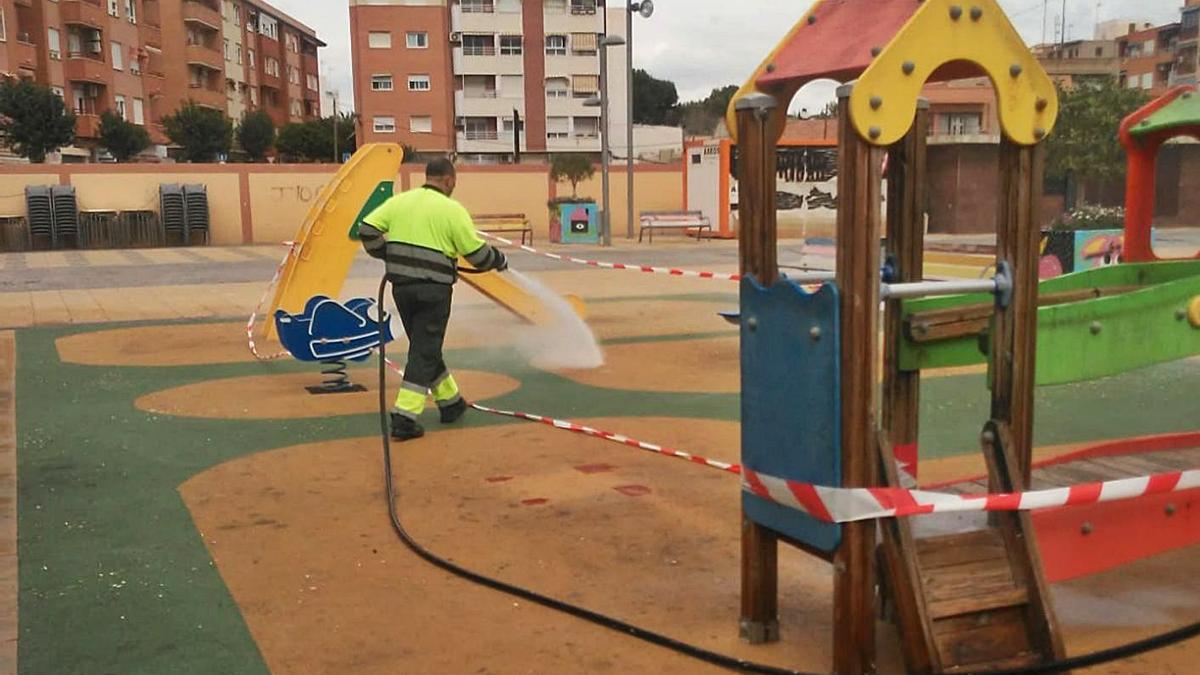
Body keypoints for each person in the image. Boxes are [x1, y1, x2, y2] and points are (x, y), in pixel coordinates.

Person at [359, 158, 508, 441]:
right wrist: (498, 259)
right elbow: (476, 255)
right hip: (434, 292)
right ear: (449, 180)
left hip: (401, 288)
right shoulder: (452, 211)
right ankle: (405, 417)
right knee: (424, 350)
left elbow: (367, 230)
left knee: (424, 347)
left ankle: (450, 403)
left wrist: (386, 253)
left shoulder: (400, 202)